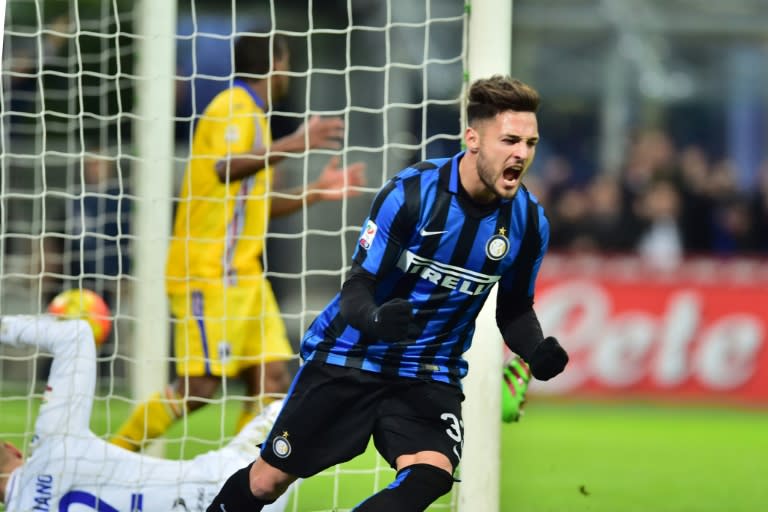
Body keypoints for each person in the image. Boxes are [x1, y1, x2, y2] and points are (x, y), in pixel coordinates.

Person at [207, 75, 570, 512]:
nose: (522, 154)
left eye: (530, 143)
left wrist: (536, 348)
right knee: (266, 482)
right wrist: (378, 319)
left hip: (429, 371)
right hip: (350, 356)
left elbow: (513, 308)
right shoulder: (413, 194)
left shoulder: (529, 224)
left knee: (431, 473)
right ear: (473, 139)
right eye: (510, 140)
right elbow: (358, 285)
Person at [111, 31, 366, 451]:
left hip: (244, 275)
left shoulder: (255, 118)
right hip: (208, 271)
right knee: (199, 388)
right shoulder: (233, 107)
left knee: (272, 380)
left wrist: (316, 191)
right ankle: (109, 456)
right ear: (278, 64)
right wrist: (296, 143)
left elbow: (256, 205)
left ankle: (234, 482)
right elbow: (225, 169)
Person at [0, 314, 293, 511]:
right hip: (243, 480)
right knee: (322, 383)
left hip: (230, 499)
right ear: (13, 450)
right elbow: (74, 334)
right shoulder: (54, 448)